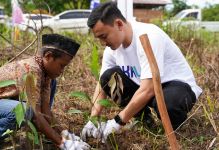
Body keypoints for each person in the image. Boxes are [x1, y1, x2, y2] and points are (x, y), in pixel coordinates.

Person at [81, 2, 202, 142]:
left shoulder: (148, 35)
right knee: (108, 77)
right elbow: (102, 84)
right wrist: (93, 118)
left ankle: (176, 130)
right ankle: (144, 120)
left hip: (175, 86)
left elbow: (149, 88)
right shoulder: (112, 50)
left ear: (119, 24)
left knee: (170, 102)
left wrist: (117, 121)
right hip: (145, 88)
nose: (103, 43)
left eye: (104, 36)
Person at [0, 34, 90, 150]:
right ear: (48, 56)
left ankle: (45, 133)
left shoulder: (45, 73)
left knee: (36, 102)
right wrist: (63, 144)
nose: (62, 71)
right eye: (61, 65)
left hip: (1, 103)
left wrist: (65, 134)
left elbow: (45, 111)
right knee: (27, 110)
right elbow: (36, 115)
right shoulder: (31, 71)